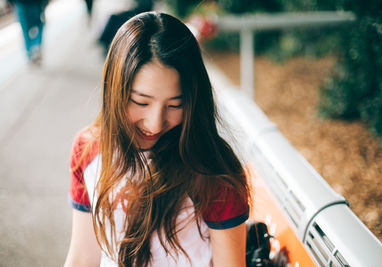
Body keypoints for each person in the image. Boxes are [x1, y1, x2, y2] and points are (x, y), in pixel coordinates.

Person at [64, 11, 250, 267]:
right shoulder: (88, 149)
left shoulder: (211, 169)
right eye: (141, 102)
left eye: (175, 104)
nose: (155, 123)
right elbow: (83, 257)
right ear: (114, 89)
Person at [7, 0, 48, 65]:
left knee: (25, 29)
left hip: (21, 4)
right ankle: (36, 45)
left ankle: (30, 51)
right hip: (35, 4)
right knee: (39, 24)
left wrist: (9, 2)